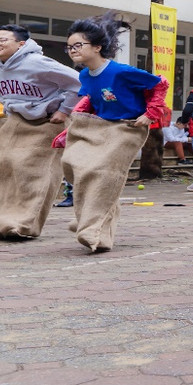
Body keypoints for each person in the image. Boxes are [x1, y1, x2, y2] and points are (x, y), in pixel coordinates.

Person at [61, 13, 168, 252]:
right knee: (72, 163)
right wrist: (74, 122)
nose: (72, 50)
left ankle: (91, 229)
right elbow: (91, 99)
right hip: (100, 126)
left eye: (78, 45)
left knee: (104, 173)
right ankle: (89, 222)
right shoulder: (85, 75)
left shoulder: (120, 71)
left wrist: (151, 113)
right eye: (69, 47)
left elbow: (160, 84)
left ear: (97, 47)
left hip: (129, 126)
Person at [0, 24, 81, 239]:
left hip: (47, 121)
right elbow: (1, 92)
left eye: (3, 40)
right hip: (16, 121)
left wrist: (64, 111)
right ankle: (1, 221)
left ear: (21, 44)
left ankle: (24, 224)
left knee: (33, 173)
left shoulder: (37, 63)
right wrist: (9, 105)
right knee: (6, 169)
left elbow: (78, 83)